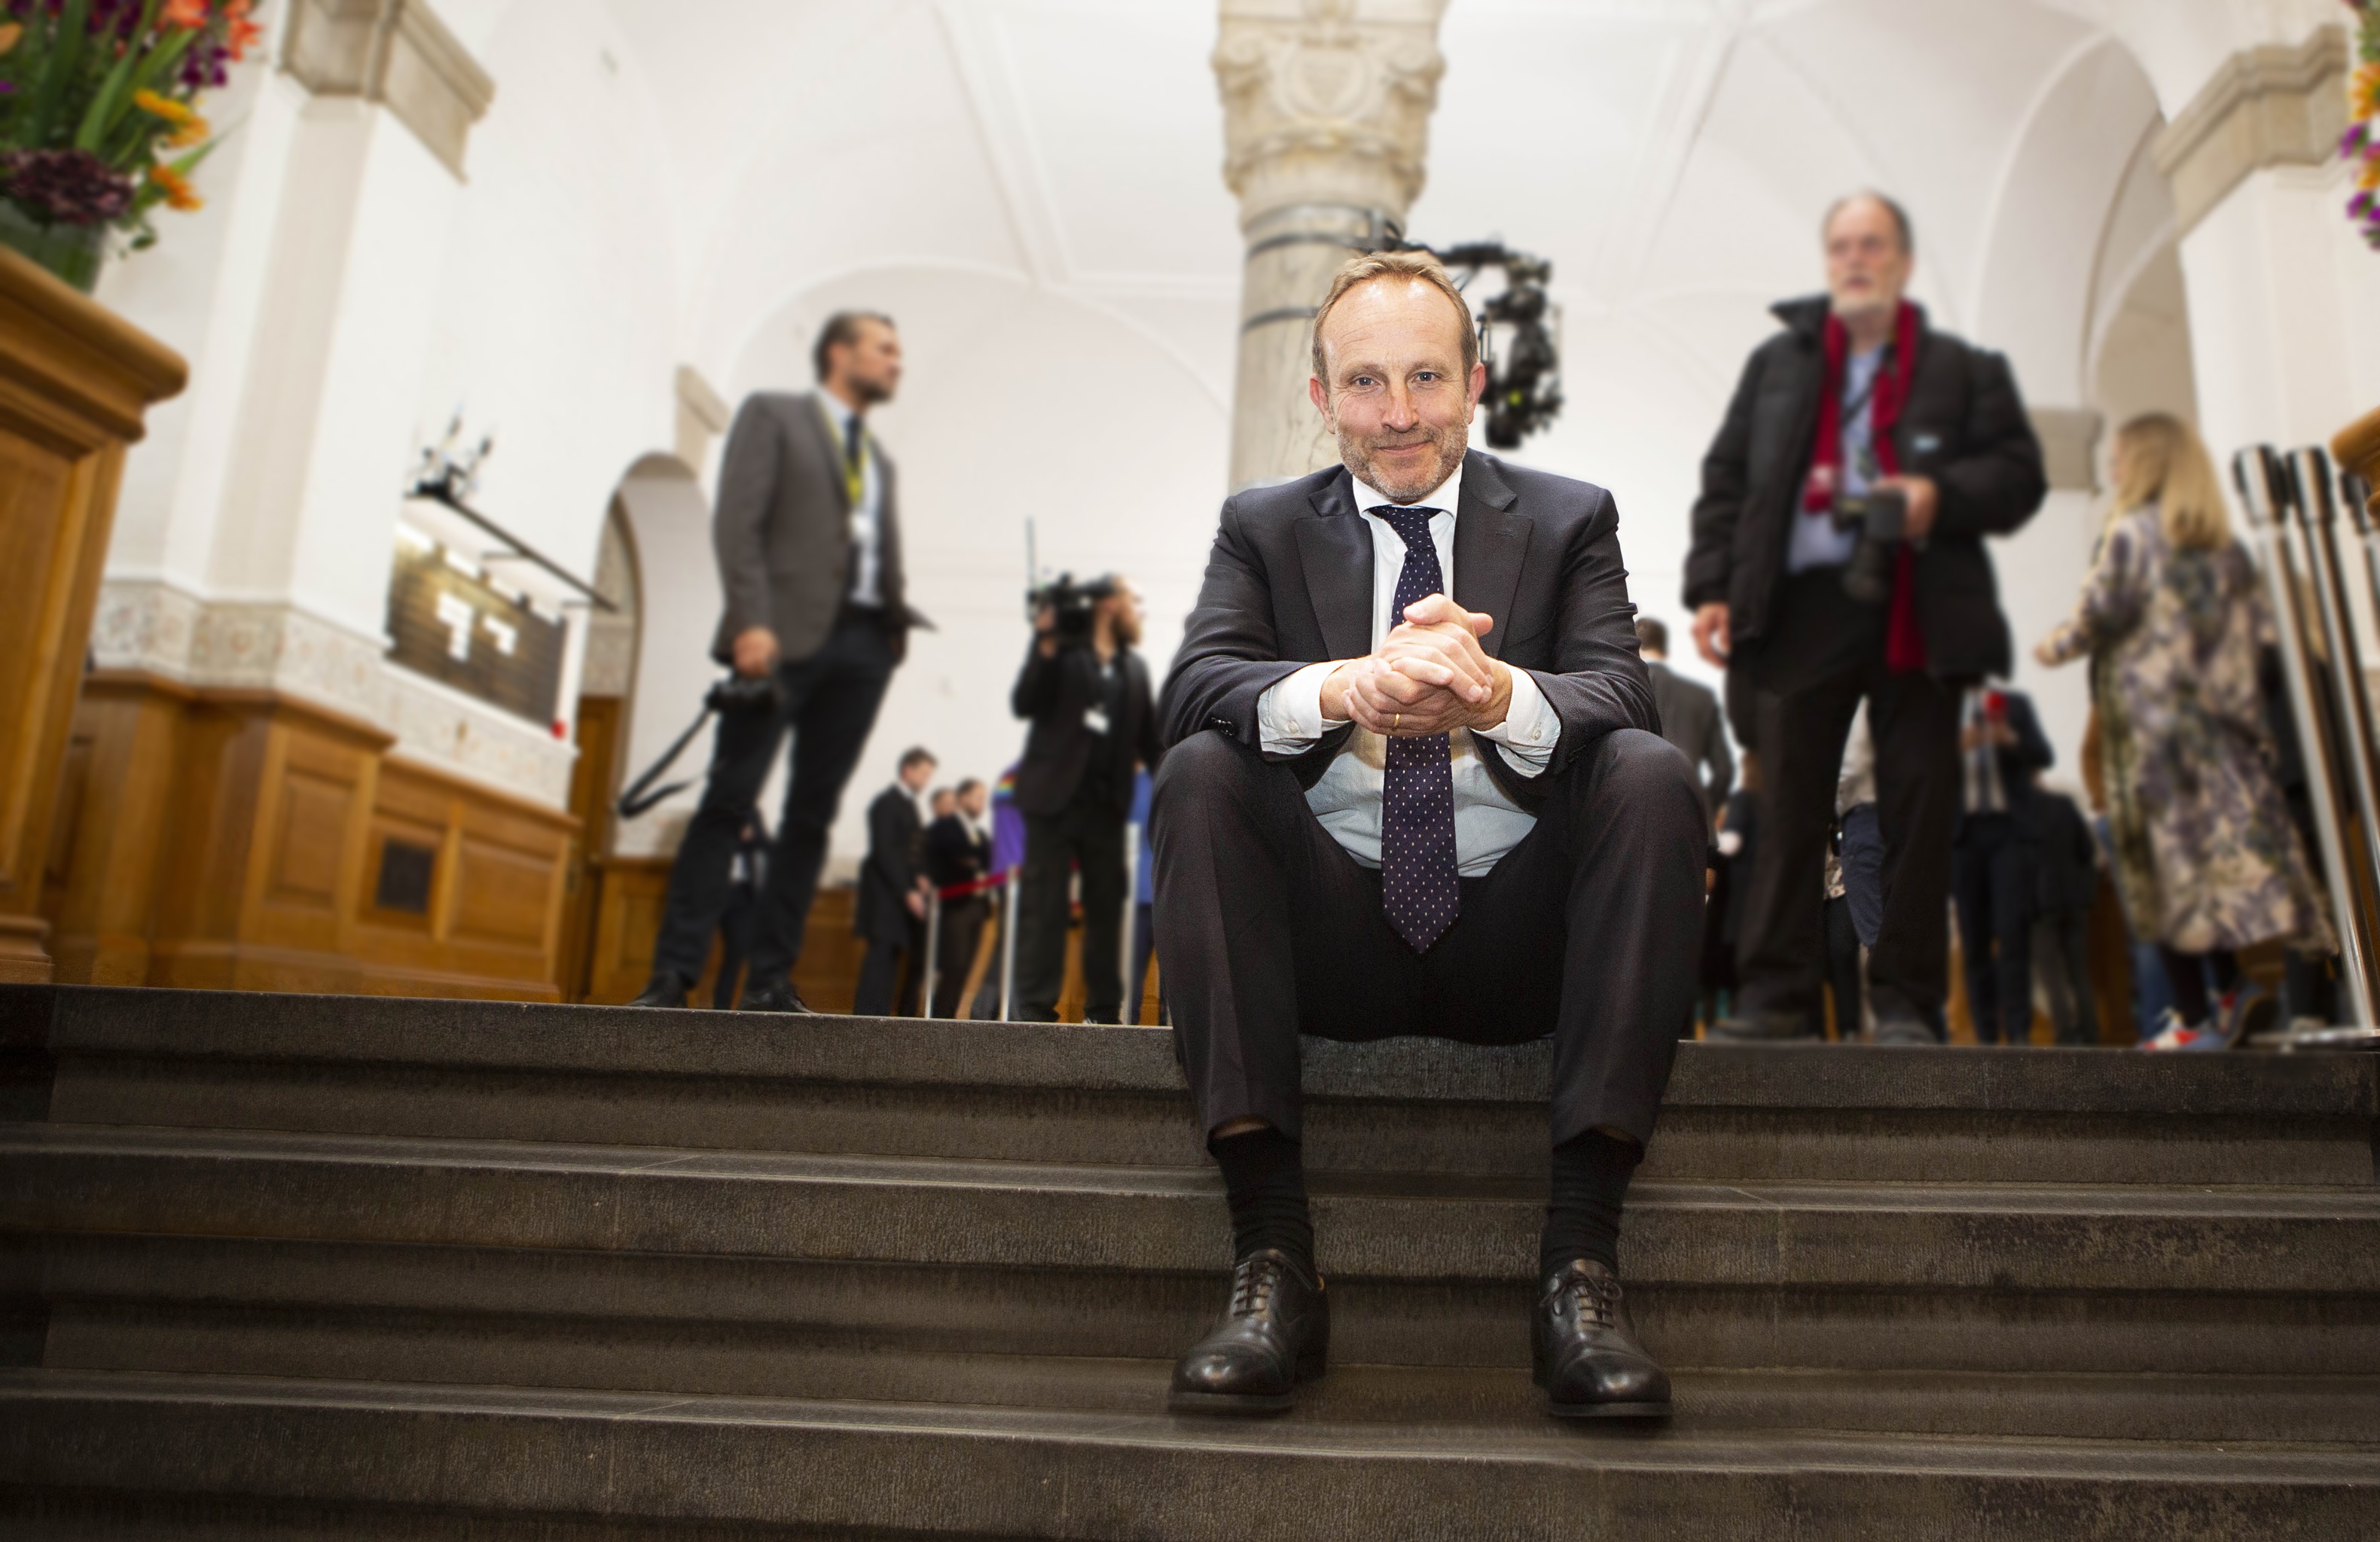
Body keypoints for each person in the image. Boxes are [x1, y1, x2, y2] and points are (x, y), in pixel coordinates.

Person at [1153, 249, 1705, 1421]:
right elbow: (1196, 685)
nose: (1397, 415)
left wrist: (1496, 694)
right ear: (1320, 398)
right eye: (1363, 384)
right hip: (1333, 932)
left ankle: (1581, 1269)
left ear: (1475, 383)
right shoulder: (1260, 527)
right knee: (1202, 768)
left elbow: (1623, 694)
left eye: (1424, 378)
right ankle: (1272, 1265)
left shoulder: (1568, 519)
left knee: (1651, 776)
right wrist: (1348, 686)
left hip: (1519, 933)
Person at [1683, 191, 2047, 1046]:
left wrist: (1938, 494)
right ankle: (1778, 997)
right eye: (1842, 245)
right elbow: (1728, 477)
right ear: (1828, 261)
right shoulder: (1778, 366)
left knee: (1917, 803)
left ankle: (1908, 1002)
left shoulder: (1962, 370)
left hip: (1918, 600)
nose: (1855, 258)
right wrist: (1710, 583)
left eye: (1872, 244)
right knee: (1787, 802)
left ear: (1902, 262)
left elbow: (2018, 472)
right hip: (1800, 599)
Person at [632, 311, 920, 1013]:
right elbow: (739, 520)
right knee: (729, 801)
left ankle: (769, 980)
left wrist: (889, 633)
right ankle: (674, 974)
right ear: (839, 353)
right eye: (884, 349)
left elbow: (878, 554)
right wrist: (750, 622)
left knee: (811, 816)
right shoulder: (774, 416)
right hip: (779, 639)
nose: (896, 362)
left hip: (862, 650)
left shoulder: (877, 460)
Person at [2035, 413, 2331, 1051]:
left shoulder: (2130, 536)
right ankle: (2228, 998)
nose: (2112, 470)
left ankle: (2197, 1019)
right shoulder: (2223, 553)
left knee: (2158, 893)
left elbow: (2096, 626)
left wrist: (2055, 644)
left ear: (2144, 463)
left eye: (2121, 459)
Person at [1011, 577, 1162, 1024]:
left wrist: (1176, 777)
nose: (1139, 612)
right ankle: (1035, 1006)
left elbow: (1148, 740)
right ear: (1110, 606)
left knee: (1105, 908)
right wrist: (1042, 643)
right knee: (1047, 903)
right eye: (1133, 603)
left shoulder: (1134, 669)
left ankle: (1102, 1009)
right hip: (1052, 799)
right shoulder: (1061, 652)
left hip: (1104, 804)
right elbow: (1025, 702)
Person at [1951, 687, 2052, 1046]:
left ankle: (2020, 1032)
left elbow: (2044, 753)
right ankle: (1985, 1036)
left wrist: (2010, 738)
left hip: (2010, 833)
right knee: (1974, 941)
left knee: (2013, 934)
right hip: (1963, 838)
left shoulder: (2014, 706)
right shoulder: (1946, 709)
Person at [855, 748, 935, 1016]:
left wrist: (921, 876)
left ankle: (879, 1021)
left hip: (899, 899)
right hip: (885, 896)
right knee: (879, 962)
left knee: (890, 962)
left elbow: (913, 850)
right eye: (923, 774)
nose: (926, 780)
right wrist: (907, 891)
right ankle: (866, 1021)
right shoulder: (886, 803)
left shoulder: (909, 805)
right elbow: (885, 851)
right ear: (907, 770)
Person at [1635, 617, 1732, 825]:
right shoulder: (1701, 696)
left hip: (1636, 823)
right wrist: (1703, 810)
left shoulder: (1625, 694)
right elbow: (1723, 770)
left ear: (1633, 650)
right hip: (1692, 824)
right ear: (1664, 648)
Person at [2029, 777, 2101, 1047]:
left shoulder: (2018, 812)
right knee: (2078, 971)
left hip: (2041, 902)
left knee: (2051, 974)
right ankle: (2091, 1032)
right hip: (2075, 898)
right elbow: (2086, 849)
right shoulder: (2064, 805)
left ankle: (2064, 1035)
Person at [926, 778, 994, 1019]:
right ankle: (939, 1021)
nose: (982, 803)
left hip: (978, 906)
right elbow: (955, 855)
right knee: (953, 968)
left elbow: (988, 861)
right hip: (955, 907)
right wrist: (973, 861)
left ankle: (950, 1019)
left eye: (984, 798)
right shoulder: (945, 827)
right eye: (977, 797)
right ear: (962, 798)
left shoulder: (979, 832)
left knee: (965, 970)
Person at [711, 814, 770, 1010]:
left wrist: (752, 836)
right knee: (694, 950)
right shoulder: (714, 810)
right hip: (711, 891)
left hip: (743, 894)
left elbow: (766, 844)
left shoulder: (752, 813)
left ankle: (723, 1008)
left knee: (737, 952)